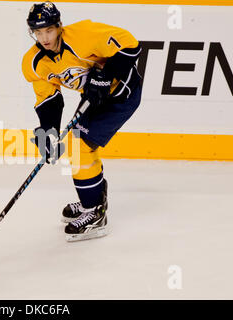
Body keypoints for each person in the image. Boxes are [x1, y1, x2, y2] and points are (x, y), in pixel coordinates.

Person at [22, 2, 143, 241]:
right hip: (94, 99)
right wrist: (49, 131)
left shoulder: (84, 35)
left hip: (123, 95)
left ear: (59, 27)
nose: (44, 38)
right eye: (38, 32)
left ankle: (95, 213)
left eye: (48, 30)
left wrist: (106, 75)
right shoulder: (34, 62)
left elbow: (131, 46)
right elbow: (49, 100)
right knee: (77, 144)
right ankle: (93, 198)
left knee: (79, 145)